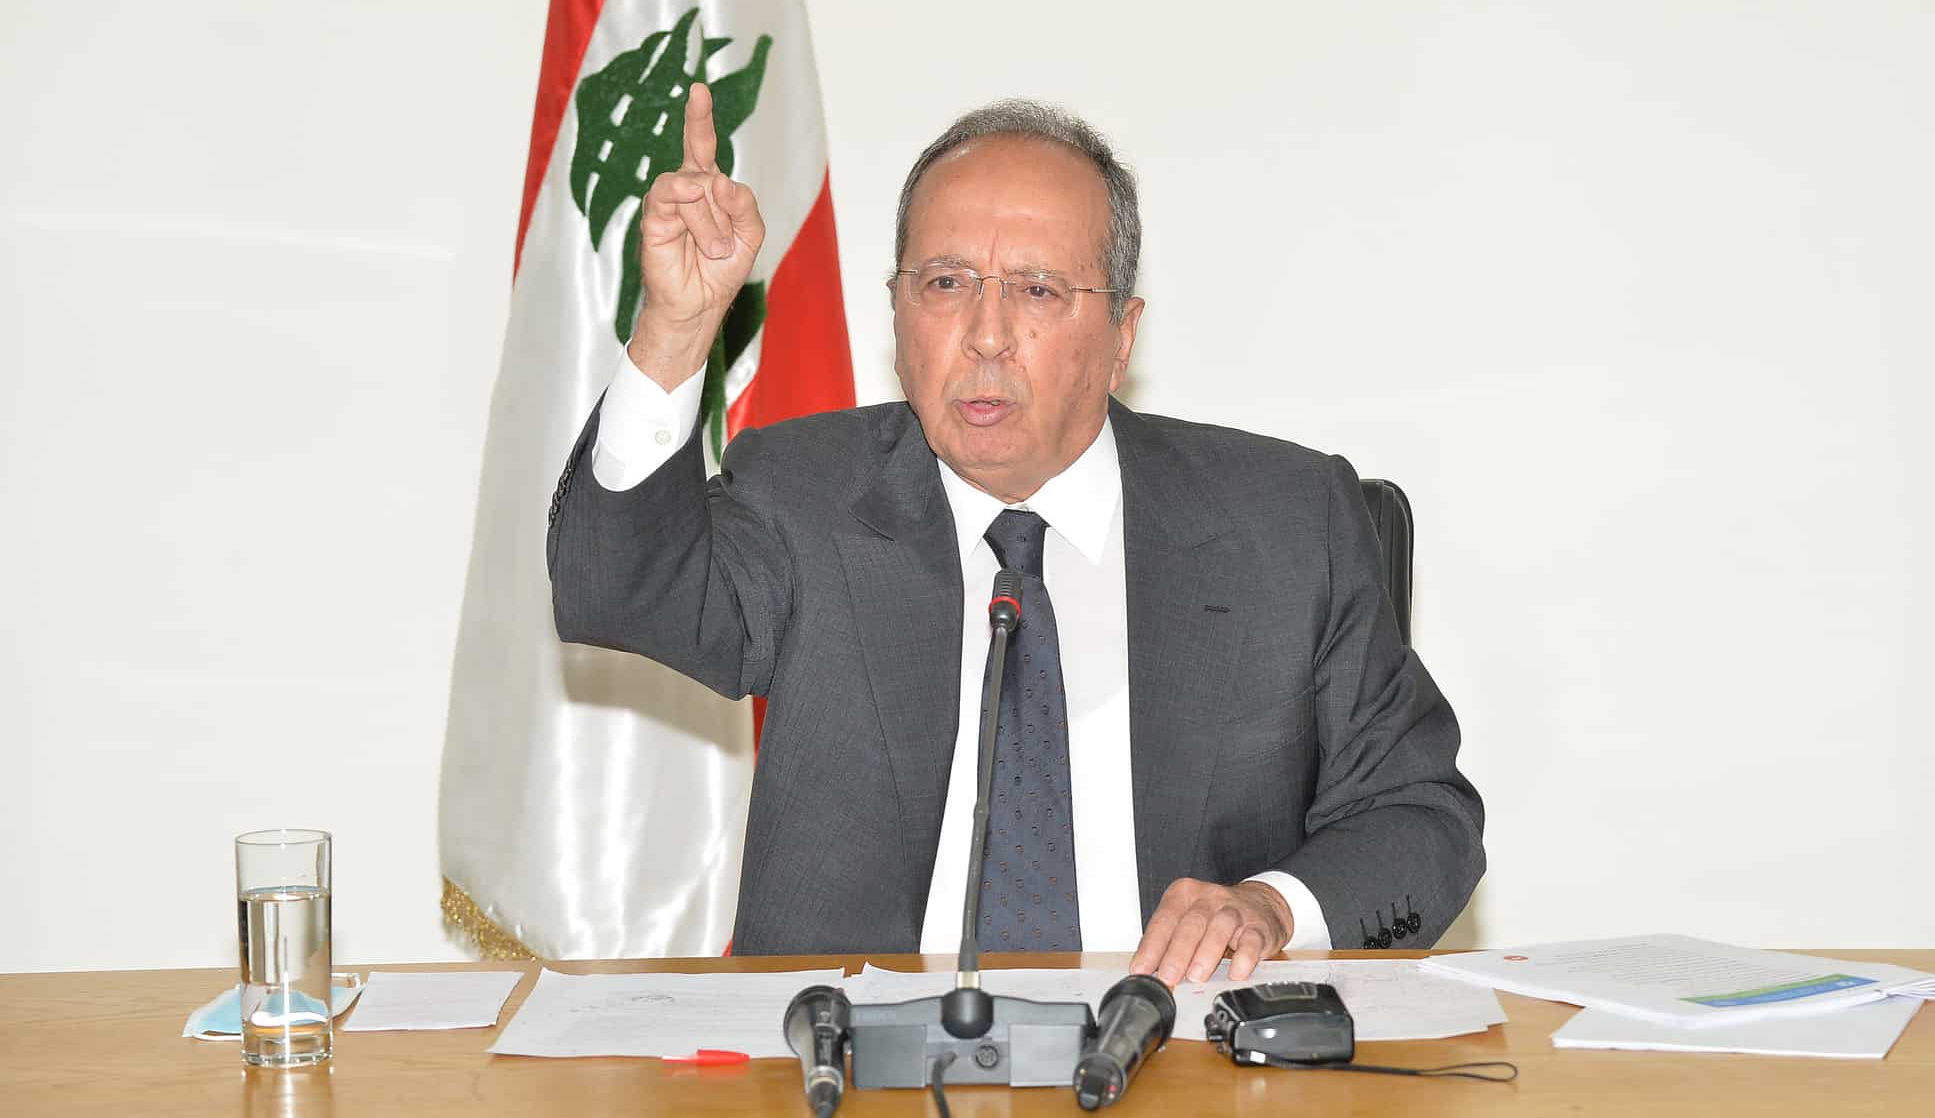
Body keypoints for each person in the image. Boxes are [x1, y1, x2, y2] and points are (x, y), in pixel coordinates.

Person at [548, 84, 1483, 985]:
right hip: (861, 1061)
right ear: (897, 312)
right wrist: (676, 328)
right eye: (946, 282)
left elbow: (1420, 815)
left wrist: (1271, 908)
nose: (986, 334)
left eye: (1037, 290)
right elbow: (615, 588)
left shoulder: (1285, 523)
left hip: (1179, 1052)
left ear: (1121, 335)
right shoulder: (809, 497)